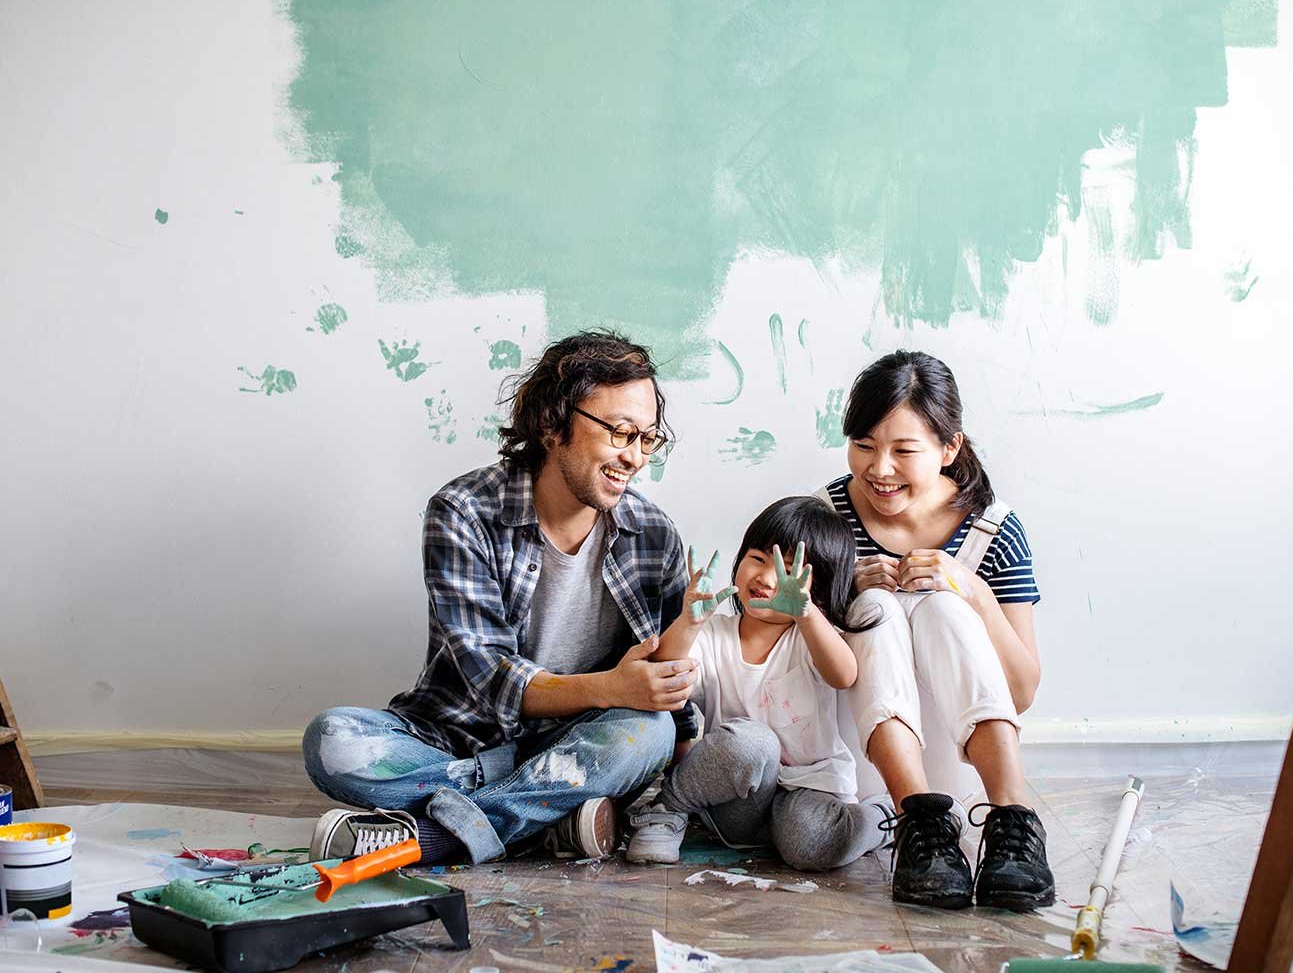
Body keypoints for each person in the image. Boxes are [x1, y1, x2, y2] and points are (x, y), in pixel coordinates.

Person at [302, 330, 697, 867]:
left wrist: (667, 710)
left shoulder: (652, 535)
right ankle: (545, 817)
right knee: (334, 739)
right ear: (553, 423)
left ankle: (439, 834)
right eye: (621, 433)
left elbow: (661, 685)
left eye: (648, 439)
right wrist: (608, 687)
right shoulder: (463, 512)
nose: (635, 458)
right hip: (461, 740)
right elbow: (489, 674)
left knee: (647, 732)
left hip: (579, 739)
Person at [817, 350, 1053, 911]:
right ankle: (919, 823)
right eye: (865, 445)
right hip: (862, 767)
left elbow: (1021, 690)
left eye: (904, 450)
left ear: (950, 448)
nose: (879, 469)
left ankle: (1013, 816)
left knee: (946, 608)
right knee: (875, 604)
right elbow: (789, 654)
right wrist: (839, 593)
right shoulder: (828, 516)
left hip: (964, 761)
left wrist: (970, 589)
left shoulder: (993, 527)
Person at [622, 497, 892, 871]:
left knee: (814, 845)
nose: (765, 578)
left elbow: (843, 675)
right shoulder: (717, 634)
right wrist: (689, 622)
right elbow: (664, 671)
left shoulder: (810, 636)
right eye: (758, 559)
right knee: (751, 742)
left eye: (786, 572)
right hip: (740, 800)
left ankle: (882, 819)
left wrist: (807, 615)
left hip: (810, 791)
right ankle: (667, 809)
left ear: (819, 584)